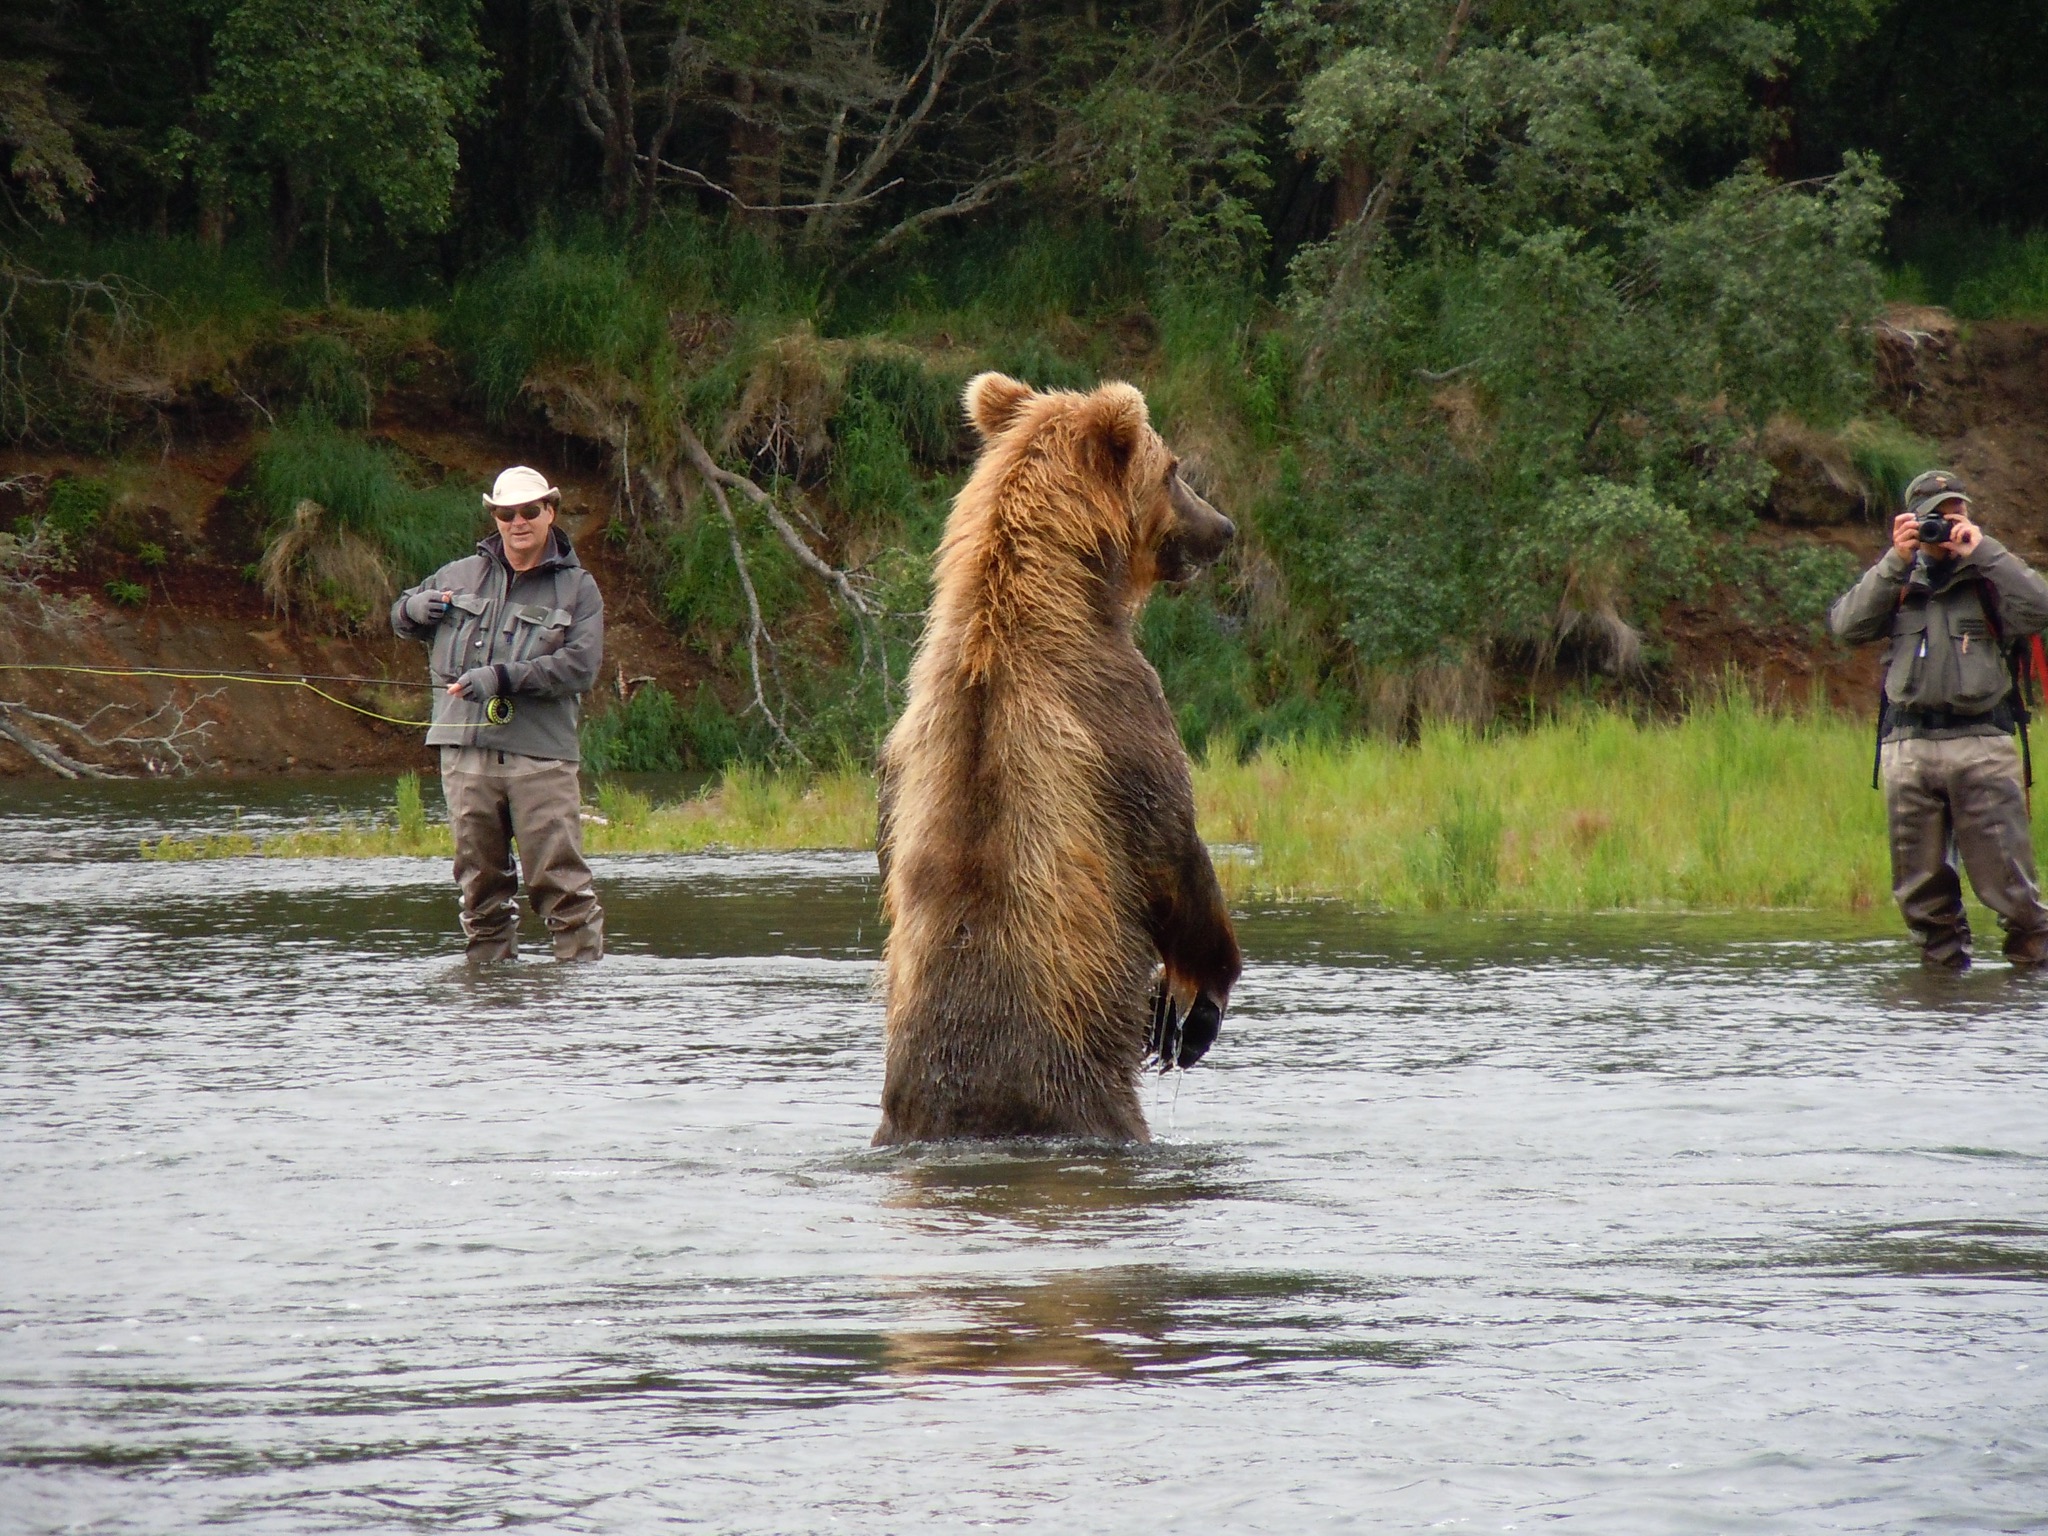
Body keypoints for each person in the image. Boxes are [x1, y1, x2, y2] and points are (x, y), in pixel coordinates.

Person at [1829, 469, 2048, 971]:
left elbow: (2042, 607)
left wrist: (1985, 550)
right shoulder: (1898, 582)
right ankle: (1938, 994)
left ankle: (2031, 992)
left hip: (1982, 744)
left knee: (2013, 889)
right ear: (1911, 522)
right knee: (1922, 897)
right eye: (1935, 518)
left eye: (1955, 515)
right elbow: (1845, 626)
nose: (1946, 527)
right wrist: (1895, 560)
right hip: (1907, 749)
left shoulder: (1991, 579)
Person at [392, 465, 606, 962]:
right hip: (464, 757)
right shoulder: (457, 575)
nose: (518, 522)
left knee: (562, 887)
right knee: (479, 890)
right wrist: (413, 610)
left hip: (540, 758)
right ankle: (487, 993)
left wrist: (503, 678)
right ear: (495, 517)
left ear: (550, 512)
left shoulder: (578, 588)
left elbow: (580, 667)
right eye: (507, 513)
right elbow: (399, 615)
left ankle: (580, 996)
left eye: (529, 511)